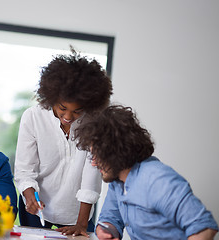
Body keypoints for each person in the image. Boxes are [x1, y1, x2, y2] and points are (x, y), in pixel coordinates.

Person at [75, 105, 218, 239]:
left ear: (116, 150)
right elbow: (110, 219)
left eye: (97, 156)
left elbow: (205, 227)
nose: (93, 163)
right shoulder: (118, 179)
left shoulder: (158, 179)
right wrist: (106, 230)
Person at [14, 50, 113, 237]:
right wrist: (29, 197)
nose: (68, 117)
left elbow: (91, 176)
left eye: (78, 111)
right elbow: (25, 169)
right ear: (51, 97)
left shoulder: (95, 123)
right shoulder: (32, 117)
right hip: (36, 206)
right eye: (62, 108)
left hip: (77, 211)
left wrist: (82, 224)